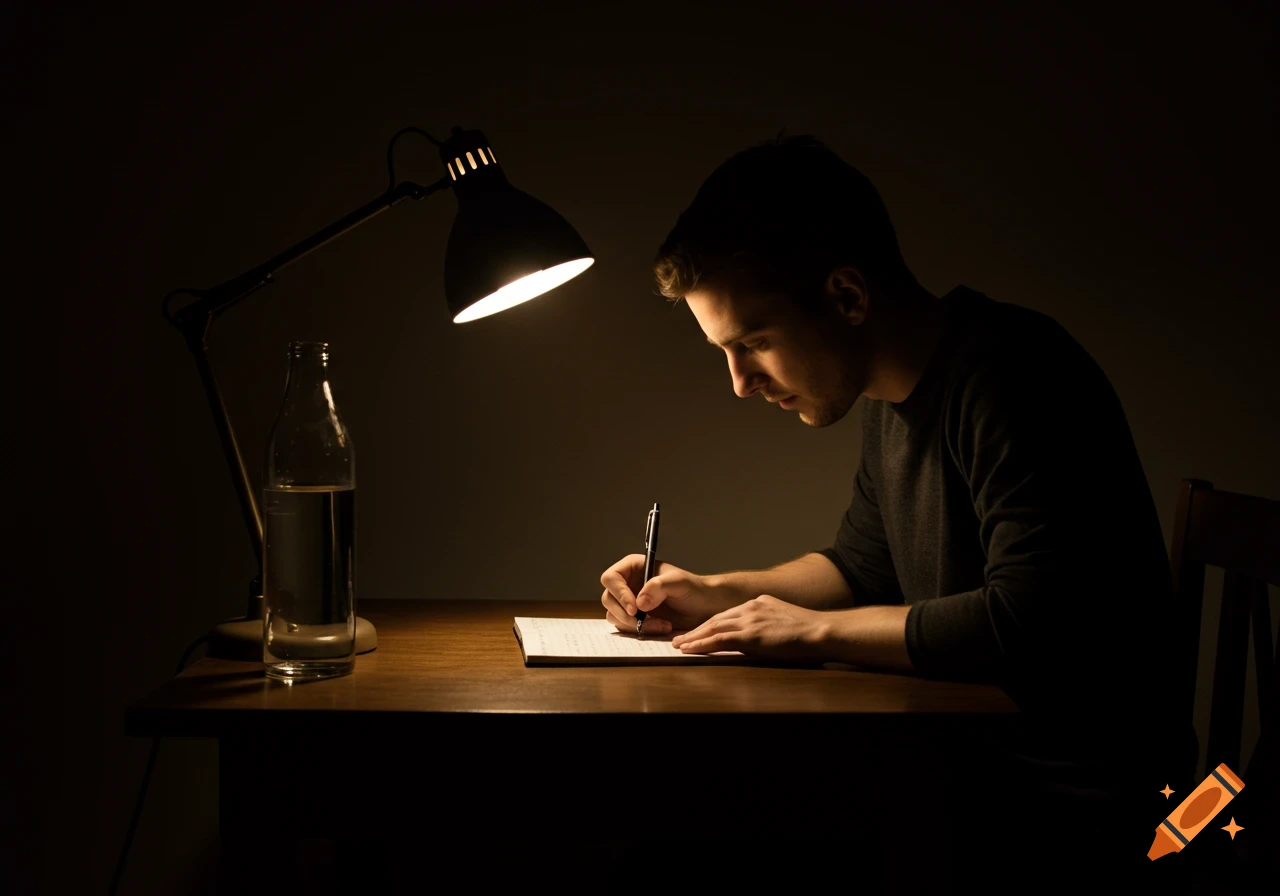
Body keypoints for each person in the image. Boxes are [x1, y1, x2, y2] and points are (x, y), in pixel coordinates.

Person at [598, 135, 1197, 889]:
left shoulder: (1012, 375)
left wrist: (810, 631)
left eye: (752, 343)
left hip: (1107, 822)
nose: (740, 383)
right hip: (976, 781)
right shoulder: (892, 401)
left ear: (848, 296)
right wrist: (710, 594)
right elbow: (862, 566)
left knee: (667, 871)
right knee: (660, 849)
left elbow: (1028, 619)